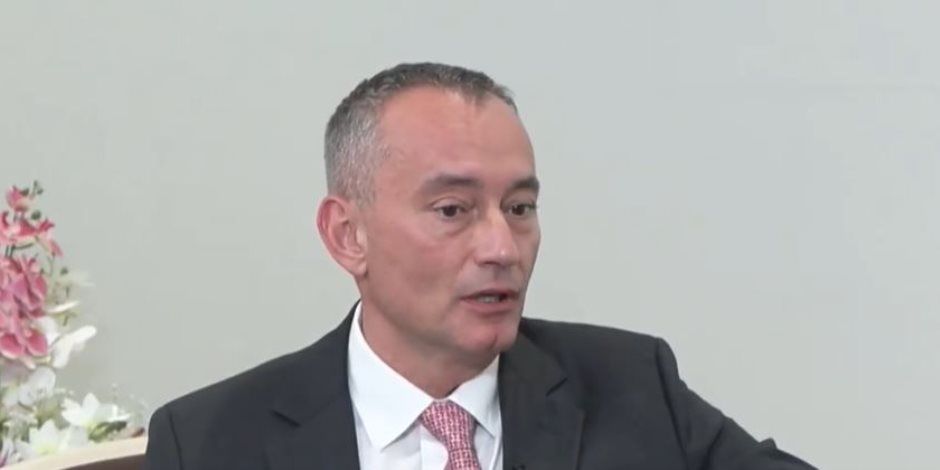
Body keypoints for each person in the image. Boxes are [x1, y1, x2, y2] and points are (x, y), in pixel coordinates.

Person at [144, 62, 816, 470]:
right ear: (348, 236)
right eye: (452, 210)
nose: (502, 247)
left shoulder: (632, 387)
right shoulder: (207, 442)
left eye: (519, 208)